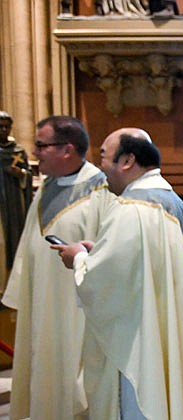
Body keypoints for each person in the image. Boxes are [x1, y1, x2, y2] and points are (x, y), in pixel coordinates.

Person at [53, 128, 183, 419]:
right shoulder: (173, 202)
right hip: (168, 329)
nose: (101, 168)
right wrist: (100, 250)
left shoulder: (129, 209)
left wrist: (79, 258)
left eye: (104, 157)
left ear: (127, 160)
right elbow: (145, 263)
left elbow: (102, 282)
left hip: (143, 343)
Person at [1, 115, 114, 420]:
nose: (34, 152)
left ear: (67, 149)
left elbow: (109, 252)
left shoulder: (101, 190)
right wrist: (21, 292)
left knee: (72, 374)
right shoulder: (46, 186)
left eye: (41, 145)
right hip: (42, 302)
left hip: (76, 309)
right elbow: (29, 243)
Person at [0, 111, 32, 286]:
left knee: (13, 242)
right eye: (0, 127)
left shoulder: (17, 151)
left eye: (7, 126)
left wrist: (20, 174)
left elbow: (27, 173)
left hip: (13, 206)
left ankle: (11, 286)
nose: (4, 130)